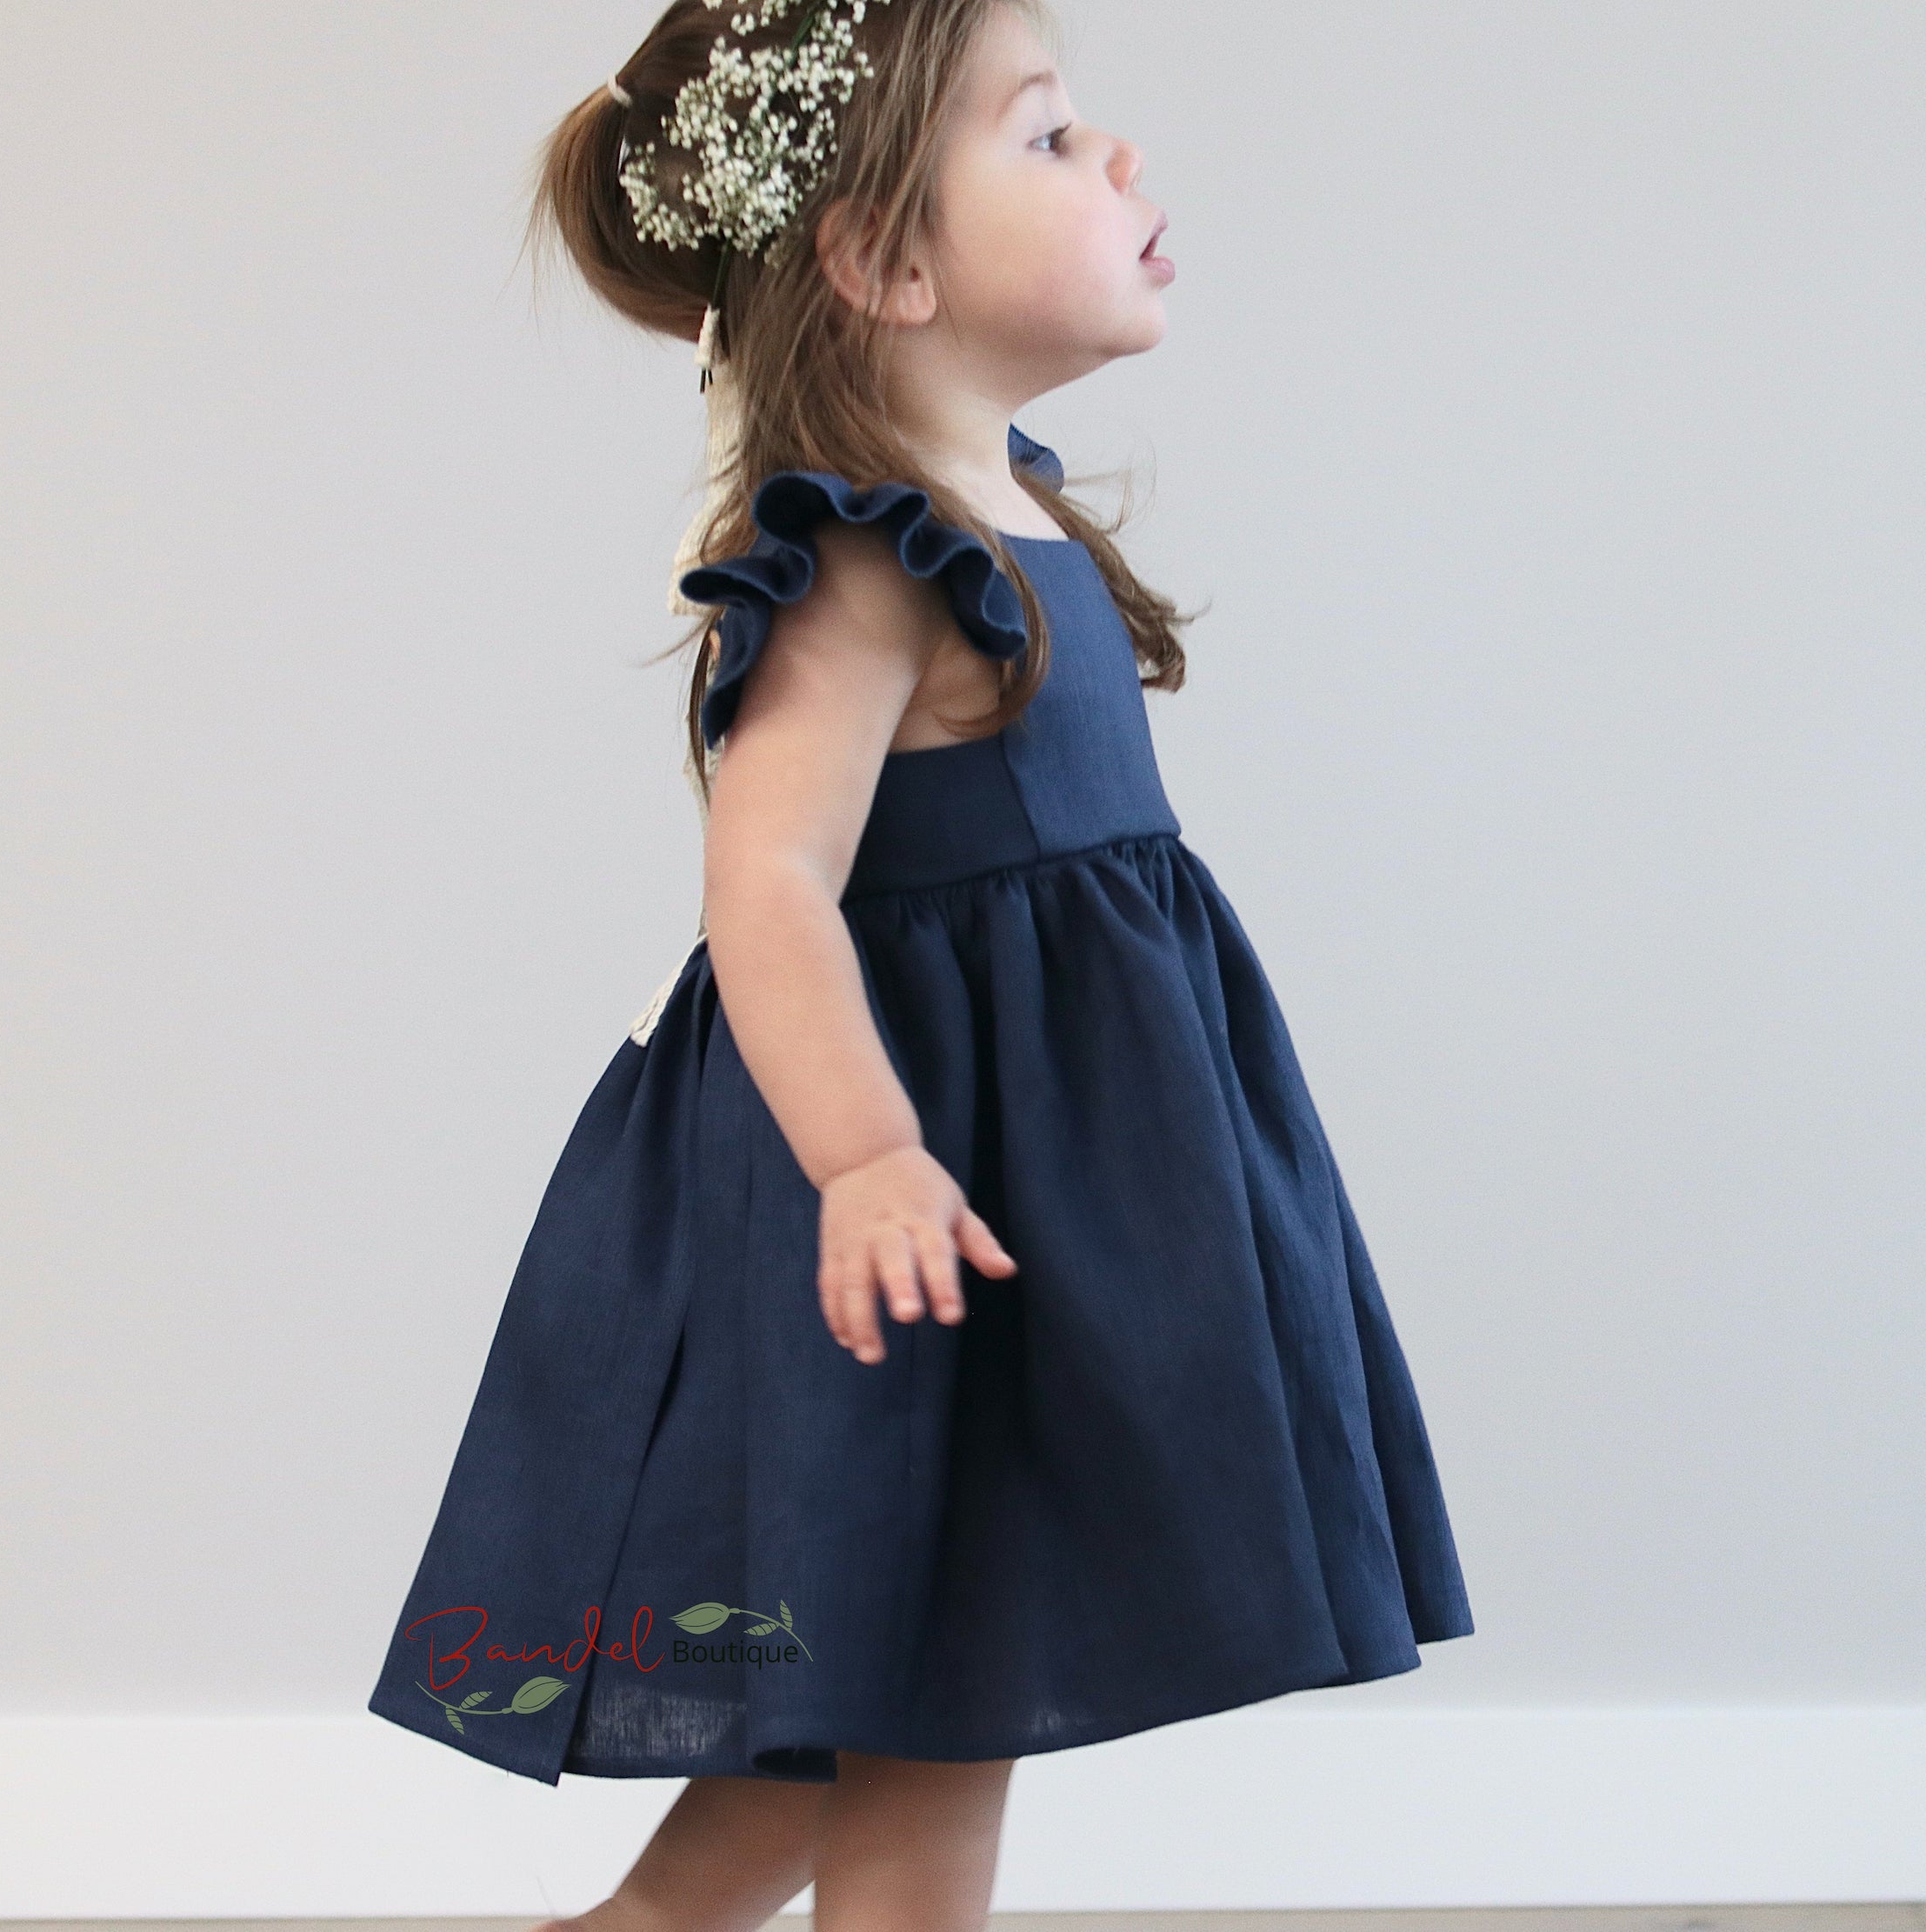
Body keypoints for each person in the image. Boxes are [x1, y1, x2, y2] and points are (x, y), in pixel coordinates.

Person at [366, 2, 1476, 1928]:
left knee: (903, 1688)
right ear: (880, 260)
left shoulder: (1010, 508)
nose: (1114, 158)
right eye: (1044, 137)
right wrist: (869, 1153)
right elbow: (770, 882)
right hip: (912, 1187)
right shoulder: (866, 564)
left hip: (1051, 1183)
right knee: (935, 1700)